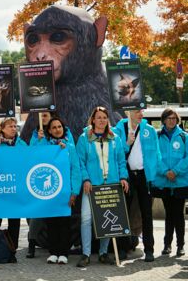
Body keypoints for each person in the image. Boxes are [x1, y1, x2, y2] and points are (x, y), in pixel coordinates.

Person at [75, 107, 129, 267]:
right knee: (86, 219)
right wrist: (85, 179)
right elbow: (80, 161)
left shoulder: (115, 138)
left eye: (104, 117)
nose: (102, 120)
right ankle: (85, 254)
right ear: (93, 120)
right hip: (91, 186)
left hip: (111, 185)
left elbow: (120, 160)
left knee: (108, 220)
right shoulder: (85, 138)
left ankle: (103, 253)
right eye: (98, 117)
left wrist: (123, 177)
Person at [29, 117, 81, 264]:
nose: (57, 129)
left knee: (64, 223)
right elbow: (34, 158)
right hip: (51, 191)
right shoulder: (44, 146)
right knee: (51, 223)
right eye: (54, 127)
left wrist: (74, 192)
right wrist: (38, 141)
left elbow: (75, 170)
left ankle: (63, 252)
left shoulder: (70, 146)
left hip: (65, 192)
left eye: (59, 126)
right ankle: (53, 252)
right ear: (49, 131)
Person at [113, 109, 161, 262]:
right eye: (137, 111)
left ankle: (149, 250)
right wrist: (127, 144)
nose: (141, 114)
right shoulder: (119, 129)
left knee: (146, 214)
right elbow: (117, 153)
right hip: (126, 177)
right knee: (123, 213)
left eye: (142, 111)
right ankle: (122, 248)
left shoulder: (149, 130)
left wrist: (154, 176)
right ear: (129, 113)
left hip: (144, 177)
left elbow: (157, 154)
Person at [0, 117, 28, 264]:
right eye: (10, 126)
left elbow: (32, 158)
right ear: (2, 129)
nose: (14, 128)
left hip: (15, 189)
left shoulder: (21, 145)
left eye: (15, 126)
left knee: (14, 222)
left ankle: (11, 251)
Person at [153, 108, 188, 257]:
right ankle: (167, 245)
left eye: (174, 118)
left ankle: (180, 246)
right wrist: (166, 171)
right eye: (169, 118)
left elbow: (187, 158)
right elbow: (155, 156)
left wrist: (175, 171)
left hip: (180, 182)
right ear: (164, 120)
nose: (172, 120)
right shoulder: (157, 136)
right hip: (165, 182)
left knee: (179, 214)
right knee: (169, 215)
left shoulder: (184, 136)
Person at [26, 111, 55, 258]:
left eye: (46, 115)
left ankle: (54, 245)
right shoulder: (35, 133)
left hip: (56, 178)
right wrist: (38, 140)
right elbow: (32, 152)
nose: (43, 118)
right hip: (40, 176)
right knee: (37, 214)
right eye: (41, 115)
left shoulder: (59, 130)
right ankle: (31, 242)